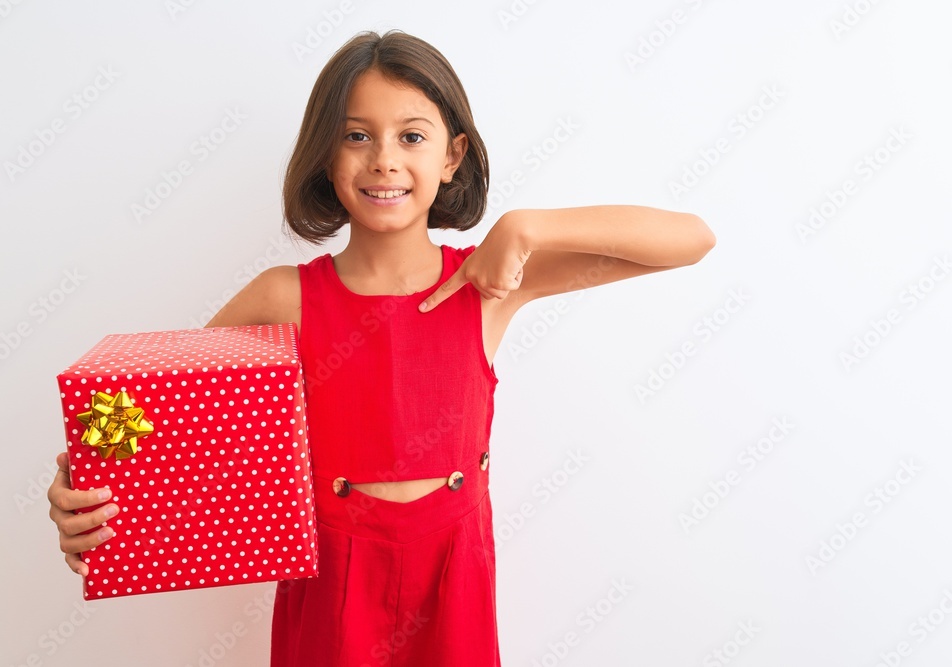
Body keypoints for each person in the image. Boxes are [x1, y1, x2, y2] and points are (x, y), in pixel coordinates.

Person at [47, 29, 715, 666]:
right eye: (357, 136)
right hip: (329, 589)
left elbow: (691, 239)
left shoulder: (487, 284)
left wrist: (526, 227)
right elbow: (157, 422)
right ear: (326, 155)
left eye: (411, 136)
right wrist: (78, 487)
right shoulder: (282, 297)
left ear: (452, 156)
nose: (384, 160)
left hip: (454, 584)